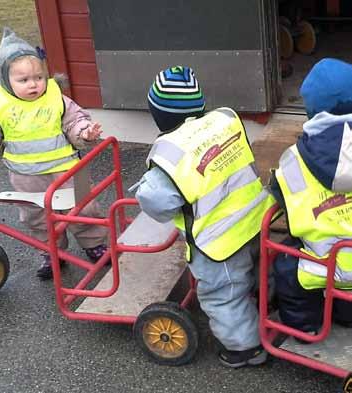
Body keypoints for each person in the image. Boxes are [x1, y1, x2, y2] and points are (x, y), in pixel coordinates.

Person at [134, 66, 276, 368]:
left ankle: (245, 349)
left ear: (157, 115)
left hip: (218, 241)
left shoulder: (169, 154)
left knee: (223, 294)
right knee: (260, 267)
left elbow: (156, 202)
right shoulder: (223, 120)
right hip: (255, 217)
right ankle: (271, 303)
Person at [0, 27, 108, 280]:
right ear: (5, 81)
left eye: (38, 77)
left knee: (83, 208)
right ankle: (51, 252)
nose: (33, 84)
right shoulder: (0, 106)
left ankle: (95, 245)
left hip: (68, 169)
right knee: (37, 217)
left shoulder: (56, 98)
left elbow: (74, 121)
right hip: (26, 176)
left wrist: (85, 131)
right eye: (23, 80)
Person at [271, 58, 352, 336]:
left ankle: (304, 329)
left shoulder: (293, 161)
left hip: (327, 265)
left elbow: (284, 207)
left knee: (287, 266)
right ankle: (345, 313)